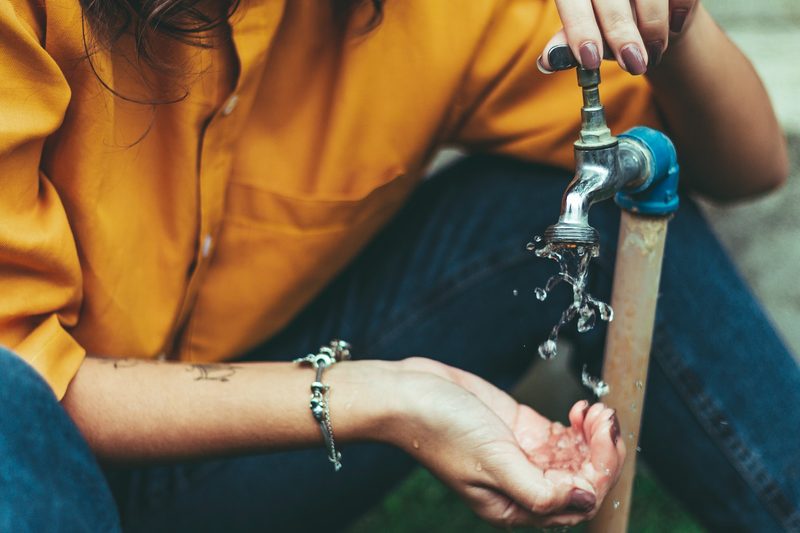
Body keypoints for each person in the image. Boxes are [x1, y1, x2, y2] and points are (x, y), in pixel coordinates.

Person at [0, 0, 797, 531]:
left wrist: (679, 26)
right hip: (35, 450)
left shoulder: (434, 13)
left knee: (584, 195)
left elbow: (746, 164)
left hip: (224, 452)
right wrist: (377, 398)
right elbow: (23, 375)